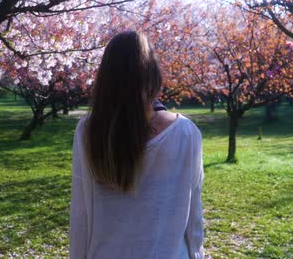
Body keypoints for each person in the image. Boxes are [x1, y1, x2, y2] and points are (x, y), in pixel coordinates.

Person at [70, 31, 204, 259]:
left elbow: (81, 217)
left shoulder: (88, 131)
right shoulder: (185, 133)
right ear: (153, 74)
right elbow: (193, 216)